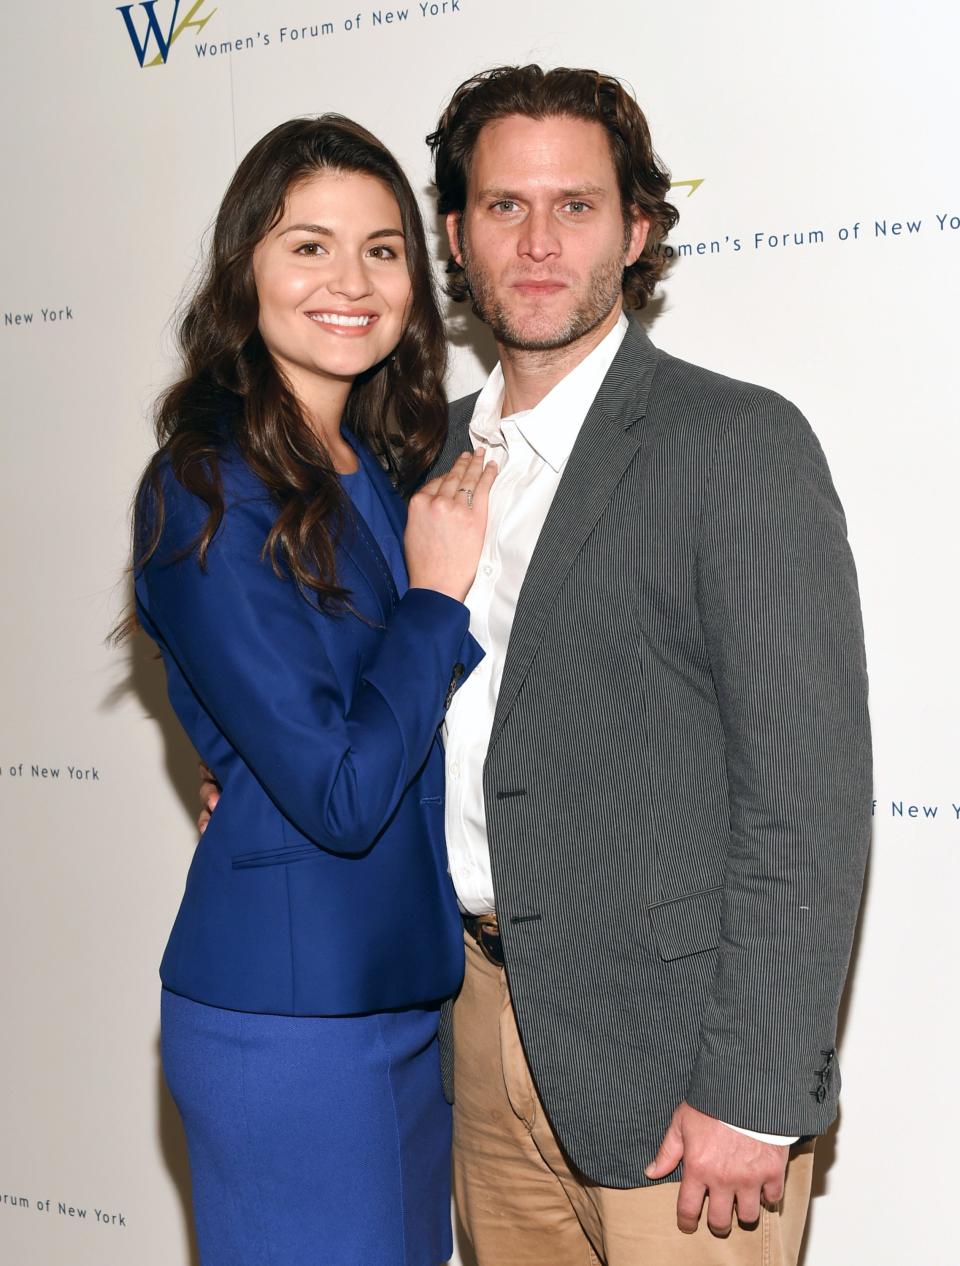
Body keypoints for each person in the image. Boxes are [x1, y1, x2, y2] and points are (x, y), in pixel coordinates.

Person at [424, 65, 871, 1265]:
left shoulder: (730, 442)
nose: (537, 241)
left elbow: (808, 802)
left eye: (575, 206)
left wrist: (759, 1086)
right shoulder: (418, 453)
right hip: (472, 1028)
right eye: (503, 207)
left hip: (683, 1067)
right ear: (456, 235)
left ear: (639, 230)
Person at [128, 114, 496, 1266]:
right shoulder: (203, 484)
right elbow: (338, 789)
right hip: (290, 1024)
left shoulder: (381, 470)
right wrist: (435, 602)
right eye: (309, 246)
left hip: (400, 998)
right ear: (247, 268)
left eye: (382, 250)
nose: (351, 281)